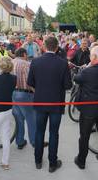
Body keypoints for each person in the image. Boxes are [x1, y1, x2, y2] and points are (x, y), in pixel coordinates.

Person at [27, 36, 72, 173]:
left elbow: (30, 82)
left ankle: (38, 161)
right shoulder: (63, 63)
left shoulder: (35, 62)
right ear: (57, 47)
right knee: (54, 133)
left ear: (44, 47)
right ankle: (52, 163)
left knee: (39, 132)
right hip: (56, 104)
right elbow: (68, 85)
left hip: (40, 102)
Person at [73, 46, 98, 169]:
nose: (90, 57)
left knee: (84, 136)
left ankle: (81, 161)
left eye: (91, 55)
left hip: (88, 109)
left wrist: (88, 67)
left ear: (94, 57)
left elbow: (76, 79)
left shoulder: (87, 72)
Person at [12, 48, 37, 149]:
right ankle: (34, 141)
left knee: (18, 119)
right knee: (31, 118)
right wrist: (36, 92)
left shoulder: (11, 62)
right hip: (25, 94)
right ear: (24, 54)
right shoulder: (26, 64)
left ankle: (20, 141)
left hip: (13, 93)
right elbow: (29, 82)